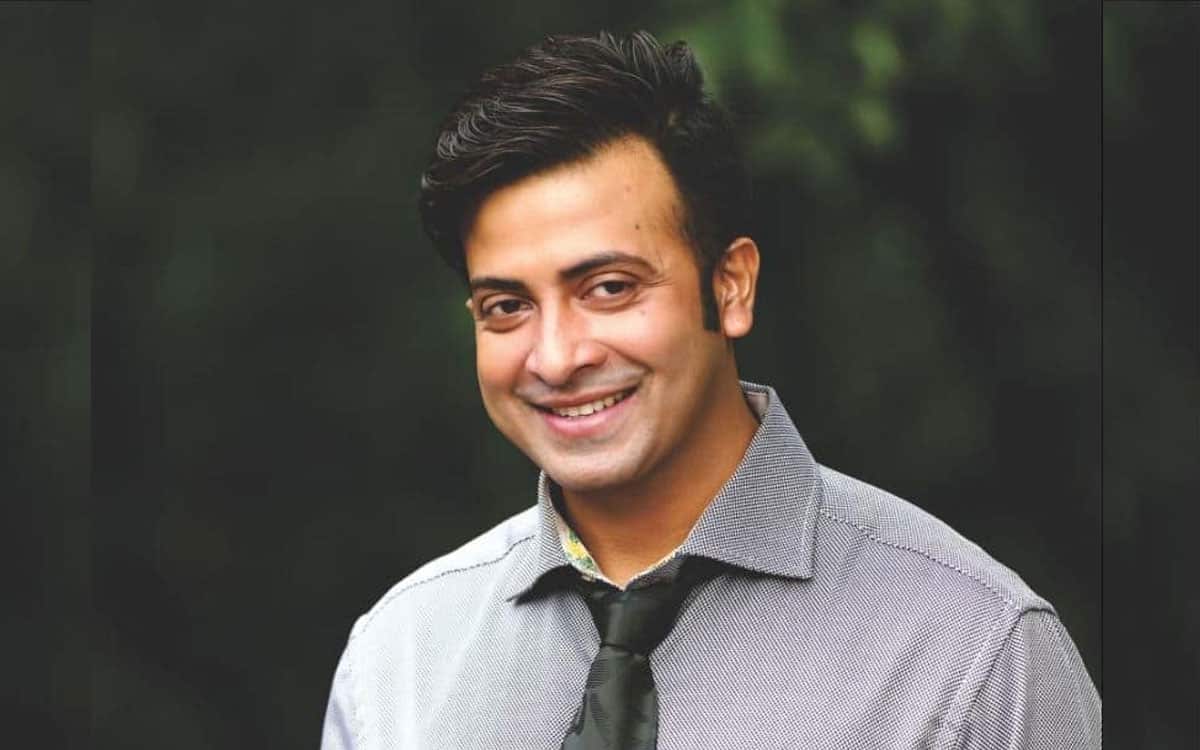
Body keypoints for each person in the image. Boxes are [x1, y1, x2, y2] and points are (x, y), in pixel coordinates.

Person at [321, 31, 1100, 749]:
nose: (555, 358)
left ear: (730, 287)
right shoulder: (397, 663)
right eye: (507, 306)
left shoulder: (976, 653)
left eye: (609, 288)